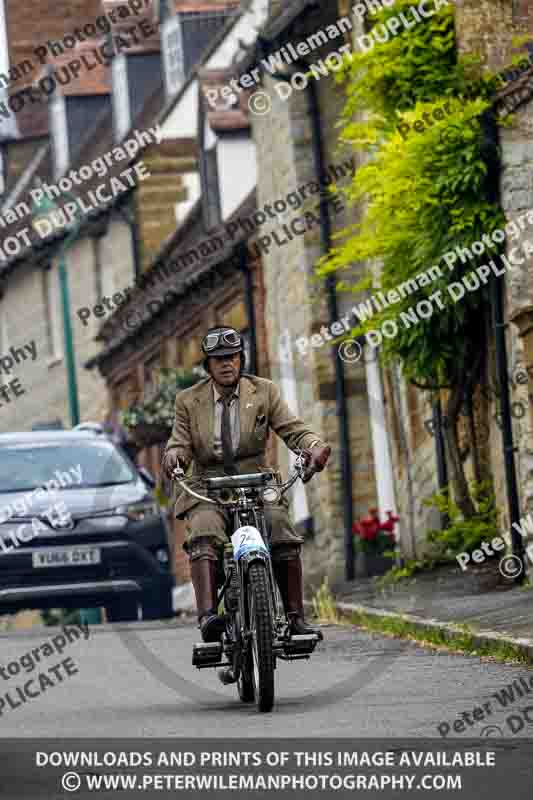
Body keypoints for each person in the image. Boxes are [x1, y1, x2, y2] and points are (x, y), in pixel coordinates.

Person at [162, 326, 331, 644]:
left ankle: (295, 618)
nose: (227, 364)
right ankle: (209, 616)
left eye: (233, 358)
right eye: (219, 359)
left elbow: (293, 430)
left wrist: (315, 446)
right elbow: (180, 442)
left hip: (256, 482)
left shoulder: (264, 391)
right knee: (205, 530)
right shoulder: (188, 400)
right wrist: (174, 456)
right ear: (208, 366)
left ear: (242, 360)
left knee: (280, 525)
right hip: (208, 487)